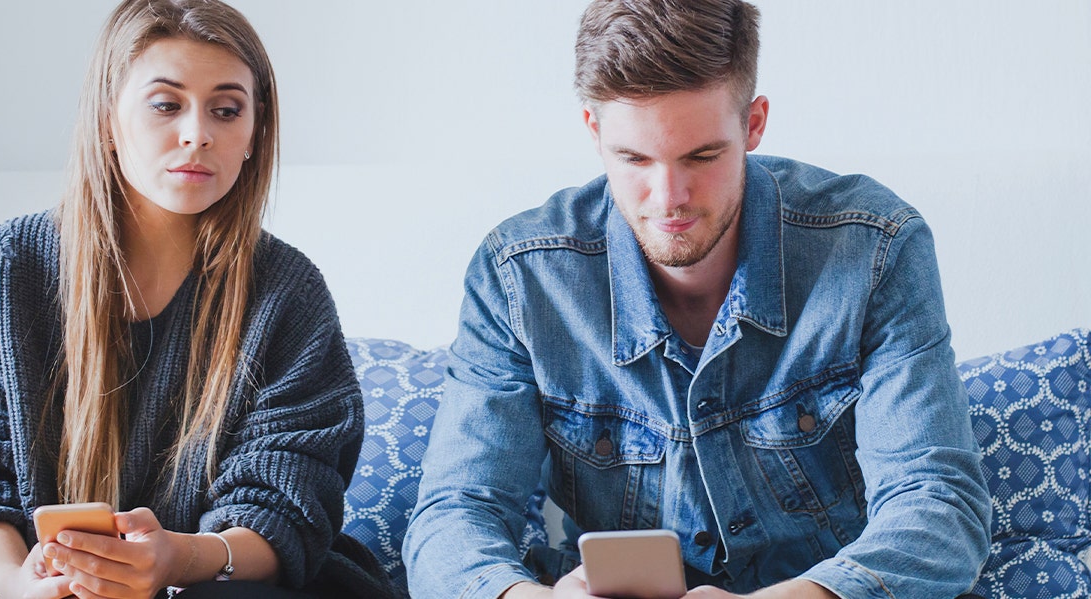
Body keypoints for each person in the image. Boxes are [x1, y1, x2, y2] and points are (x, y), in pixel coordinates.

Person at [402, 1, 992, 598]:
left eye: (702, 156)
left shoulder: (876, 248)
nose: (669, 198)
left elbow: (938, 504)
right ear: (593, 131)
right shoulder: (520, 278)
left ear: (753, 124)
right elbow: (455, 514)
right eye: (633, 159)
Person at [0, 1, 395, 598]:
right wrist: (16, 585)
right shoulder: (7, 270)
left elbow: (289, 506)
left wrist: (177, 559)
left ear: (253, 132)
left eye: (226, 110)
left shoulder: (287, 291)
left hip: (232, 582)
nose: (198, 133)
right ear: (107, 121)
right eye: (166, 105)